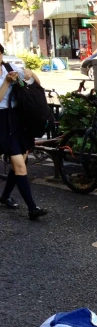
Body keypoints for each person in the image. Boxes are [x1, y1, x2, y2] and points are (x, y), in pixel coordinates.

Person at [0, 44, 47, 219]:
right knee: (19, 165)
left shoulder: (10, 68)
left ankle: (5, 196)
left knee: (20, 163)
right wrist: (6, 82)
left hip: (18, 119)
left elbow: (37, 84)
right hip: (2, 120)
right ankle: (32, 208)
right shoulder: (6, 76)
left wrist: (30, 73)